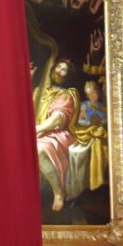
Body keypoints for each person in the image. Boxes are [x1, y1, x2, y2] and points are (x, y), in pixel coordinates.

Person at [35, 59, 80, 211]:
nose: (59, 70)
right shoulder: (40, 91)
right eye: (58, 67)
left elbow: (57, 120)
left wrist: (35, 130)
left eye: (64, 69)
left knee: (38, 150)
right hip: (39, 131)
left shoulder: (66, 95)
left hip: (57, 134)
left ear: (68, 76)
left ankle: (58, 192)